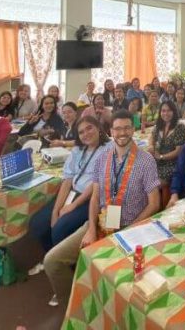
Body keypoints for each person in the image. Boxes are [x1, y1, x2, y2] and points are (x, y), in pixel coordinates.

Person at [43, 111, 160, 306]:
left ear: (133, 129)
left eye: (126, 128)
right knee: (52, 261)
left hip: (130, 228)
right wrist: (90, 229)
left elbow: (154, 203)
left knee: (116, 281)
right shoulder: (103, 158)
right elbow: (95, 196)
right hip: (100, 223)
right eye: (117, 128)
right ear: (111, 131)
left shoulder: (146, 160)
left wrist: (130, 229)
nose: (122, 133)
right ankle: (74, 305)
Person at [27, 115, 110, 273]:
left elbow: (96, 183)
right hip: (72, 192)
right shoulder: (78, 149)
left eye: (89, 128)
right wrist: (55, 210)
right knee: (37, 224)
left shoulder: (108, 148)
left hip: (90, 198)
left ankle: (68, 269)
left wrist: (73, 205)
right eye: (81, 132)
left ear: (98, 128)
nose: (86, 134)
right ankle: (52, 258)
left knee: (60, 228)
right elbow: (67, 179)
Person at [148, 101, 185, 207]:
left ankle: (156, 207)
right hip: (157, 162)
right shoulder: (158, 126)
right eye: (163, 111)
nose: (166, 113)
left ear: (174, 112)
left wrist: (161, 157)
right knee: (143, 178)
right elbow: (151, 138)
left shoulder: (180, 127)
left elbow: (178, 151)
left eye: (169, 110)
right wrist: (151, 146)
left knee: (153, 185)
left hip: (173, 164)